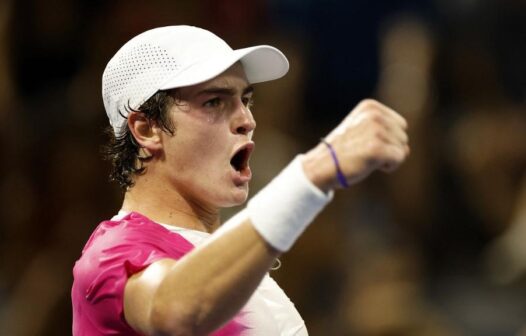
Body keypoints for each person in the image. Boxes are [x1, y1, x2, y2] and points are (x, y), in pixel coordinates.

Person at [71, 25, 409, 336]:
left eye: (245, 100)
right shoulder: (112, 253)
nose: (246, 120)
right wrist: (315, 170)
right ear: (147, 129)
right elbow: (174, 313)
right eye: (214, 102)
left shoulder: (223, 262)